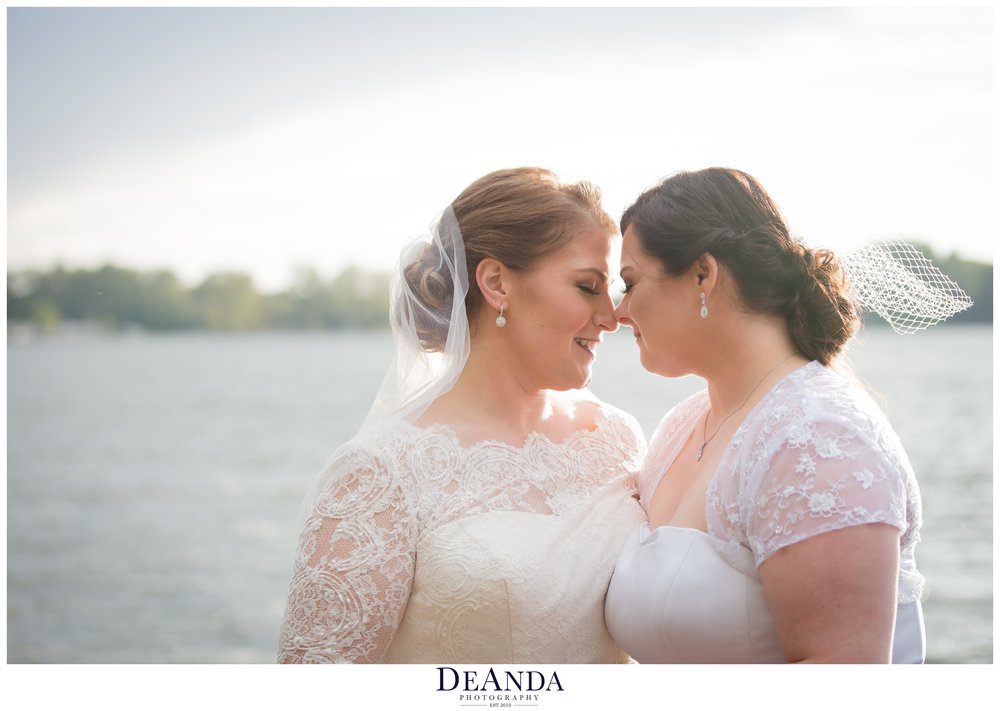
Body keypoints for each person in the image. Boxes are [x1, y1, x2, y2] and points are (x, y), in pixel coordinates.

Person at [278, 167, 646, 663]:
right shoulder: (381, 470)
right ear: (496, 283)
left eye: (612, 290)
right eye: (587, 286)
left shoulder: (616, 437)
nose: (612, 316)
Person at [604, 167, 951, 663]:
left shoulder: (818, 435)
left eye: (630, 282)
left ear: (703, 273)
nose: (619, 313)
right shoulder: (683, 425)